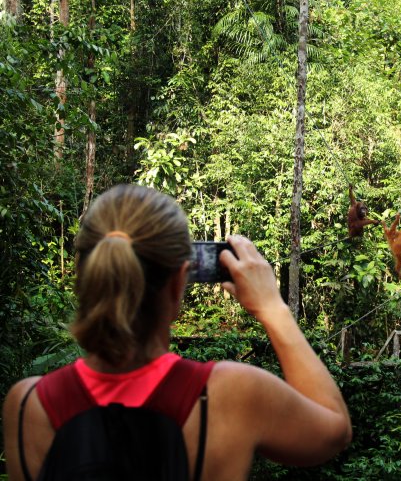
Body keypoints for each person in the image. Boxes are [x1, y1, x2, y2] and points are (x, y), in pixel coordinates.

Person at [3, 184, 352, 480]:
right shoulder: (231, 394)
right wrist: (272, 308)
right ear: (177, 284)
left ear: (85, 276)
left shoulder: (27, 407)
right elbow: (334, 429)